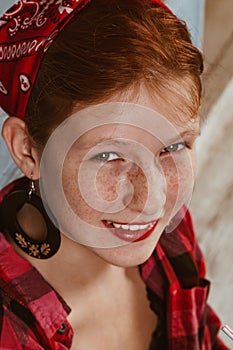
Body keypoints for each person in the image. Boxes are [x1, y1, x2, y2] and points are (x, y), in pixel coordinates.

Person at [0, 0, 229, 349]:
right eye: (108, 155)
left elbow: (204, 331)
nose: (152, 200)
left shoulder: (167, 235)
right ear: (27, 150)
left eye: (173, 147)